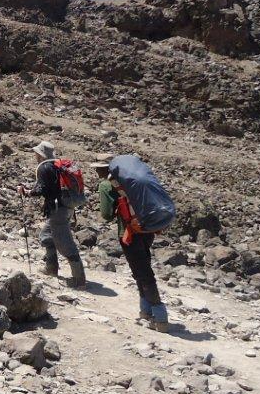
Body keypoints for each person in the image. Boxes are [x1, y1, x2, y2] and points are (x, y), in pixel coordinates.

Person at [96, 159, 171, 332]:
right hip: (147, 228)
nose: (96, 172)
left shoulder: (107, 185)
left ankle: (161, 318)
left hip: (129, 232)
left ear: (104, 169)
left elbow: (106, 214)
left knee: (143, 273)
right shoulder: (131, 181)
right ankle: (146, 311)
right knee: (141, 269)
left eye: (98, 169)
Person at [18, 141, 86, 288]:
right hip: (66, 206)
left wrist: (27, 192)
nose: (35, 155)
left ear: (40, 154)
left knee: (65, 243)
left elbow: (41, 189)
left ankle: (79, 280)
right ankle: (51, 268)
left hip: (57, 209)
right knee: (46, 235)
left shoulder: (44, 167)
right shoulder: (56, 165)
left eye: (36, 153)